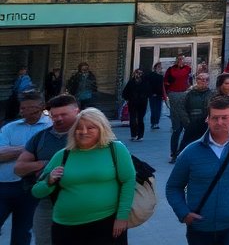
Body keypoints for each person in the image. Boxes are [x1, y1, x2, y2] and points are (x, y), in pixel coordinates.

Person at [165, 96, 229, 245]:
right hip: (200, 228)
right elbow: (173, 187)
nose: (219, 122)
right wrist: (183, 212)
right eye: (215, 118)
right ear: (208, 119)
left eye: (224, 117)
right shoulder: (191, 151)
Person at [31, 108, 135, 245]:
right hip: (66, 226)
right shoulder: (63, 154)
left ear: (102, 129)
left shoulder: (115, 149)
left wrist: (122, 217)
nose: (84, 132)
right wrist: (49, 181)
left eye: (91, 127)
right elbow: (36, 192)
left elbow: (128, 181)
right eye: (79, 128)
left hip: (106, 223)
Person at [15, 94, 81, 245]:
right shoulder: (41, 137)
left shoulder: (90, 133)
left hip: (84, 203)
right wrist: (47, 165)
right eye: (54, 115)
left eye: (63, 114)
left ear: (77, 111)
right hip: (48, 203)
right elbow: (19, 168)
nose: (58, 119)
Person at [0, 91, 52, 245]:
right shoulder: (10, 127)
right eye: (22, 108)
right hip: (4, 185)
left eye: (30, 108)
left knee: (23, 233)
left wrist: (12, 151)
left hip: (31, 188)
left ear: (42, 107)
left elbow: (50, 158)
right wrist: (30, 149)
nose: (25, 112)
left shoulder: (51, 127)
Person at [165, 55, 194, 160]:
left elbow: (190, 81)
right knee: (176, 130)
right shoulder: (171, 70)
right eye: (179, 59)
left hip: (184, 96)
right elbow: (166, 82)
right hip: (174, 97)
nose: (181, 61)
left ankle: (183, 151)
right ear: (176, 60)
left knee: (187, 129)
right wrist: (167, 94)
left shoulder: (188, 69)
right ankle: (174, 153)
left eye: (182, 59)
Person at [180, 71, 215, 149]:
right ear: (196, 80)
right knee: (187, 146)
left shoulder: (213, 94)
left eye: (206, 79)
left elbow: (216, 108)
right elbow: (182, 108)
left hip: (207, 125)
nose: (204, 81)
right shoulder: (189, 94)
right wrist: (186, 121)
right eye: (201, 79)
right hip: (192, 124)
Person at [120, 70, 152, 142]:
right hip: (132, 103)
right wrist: (128, 98)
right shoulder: (131, 82)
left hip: (142, 103)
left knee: (140, 119)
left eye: (140, 73)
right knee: (133, 119)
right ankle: (133, 135)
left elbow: (149, 92)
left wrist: (143, 97)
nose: (138, 75)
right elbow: (125, 92)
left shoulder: (145, 82)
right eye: (137, 73)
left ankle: (140, 135)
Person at [142, 64, 165, 132]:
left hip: (159, 95)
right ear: (155, 68)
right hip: (153, 95)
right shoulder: (150, 75)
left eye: (160, 67)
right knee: (154, 109)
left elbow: (161, 87)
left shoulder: (161, 76)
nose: (160, 68)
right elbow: (148, 85)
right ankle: (154, 123)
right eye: (158, 67)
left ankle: (156, 123)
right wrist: (151, 93)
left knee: (158, 109)